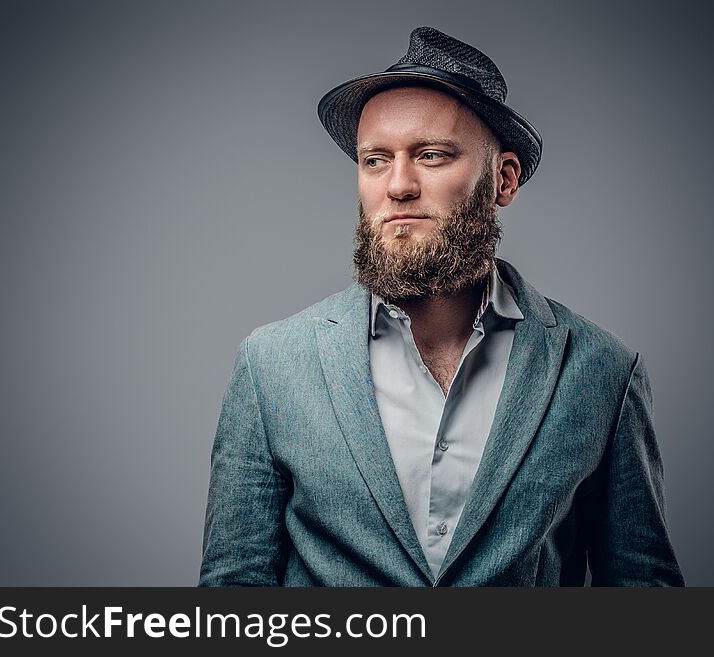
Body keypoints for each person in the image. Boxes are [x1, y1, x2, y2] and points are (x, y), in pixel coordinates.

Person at [199, 26, 684, 587]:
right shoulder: (272, 364)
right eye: (375, 160)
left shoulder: (602, 371)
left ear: (503, 179)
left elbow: (643, 588)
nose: (398, 186)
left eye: (432, 155)